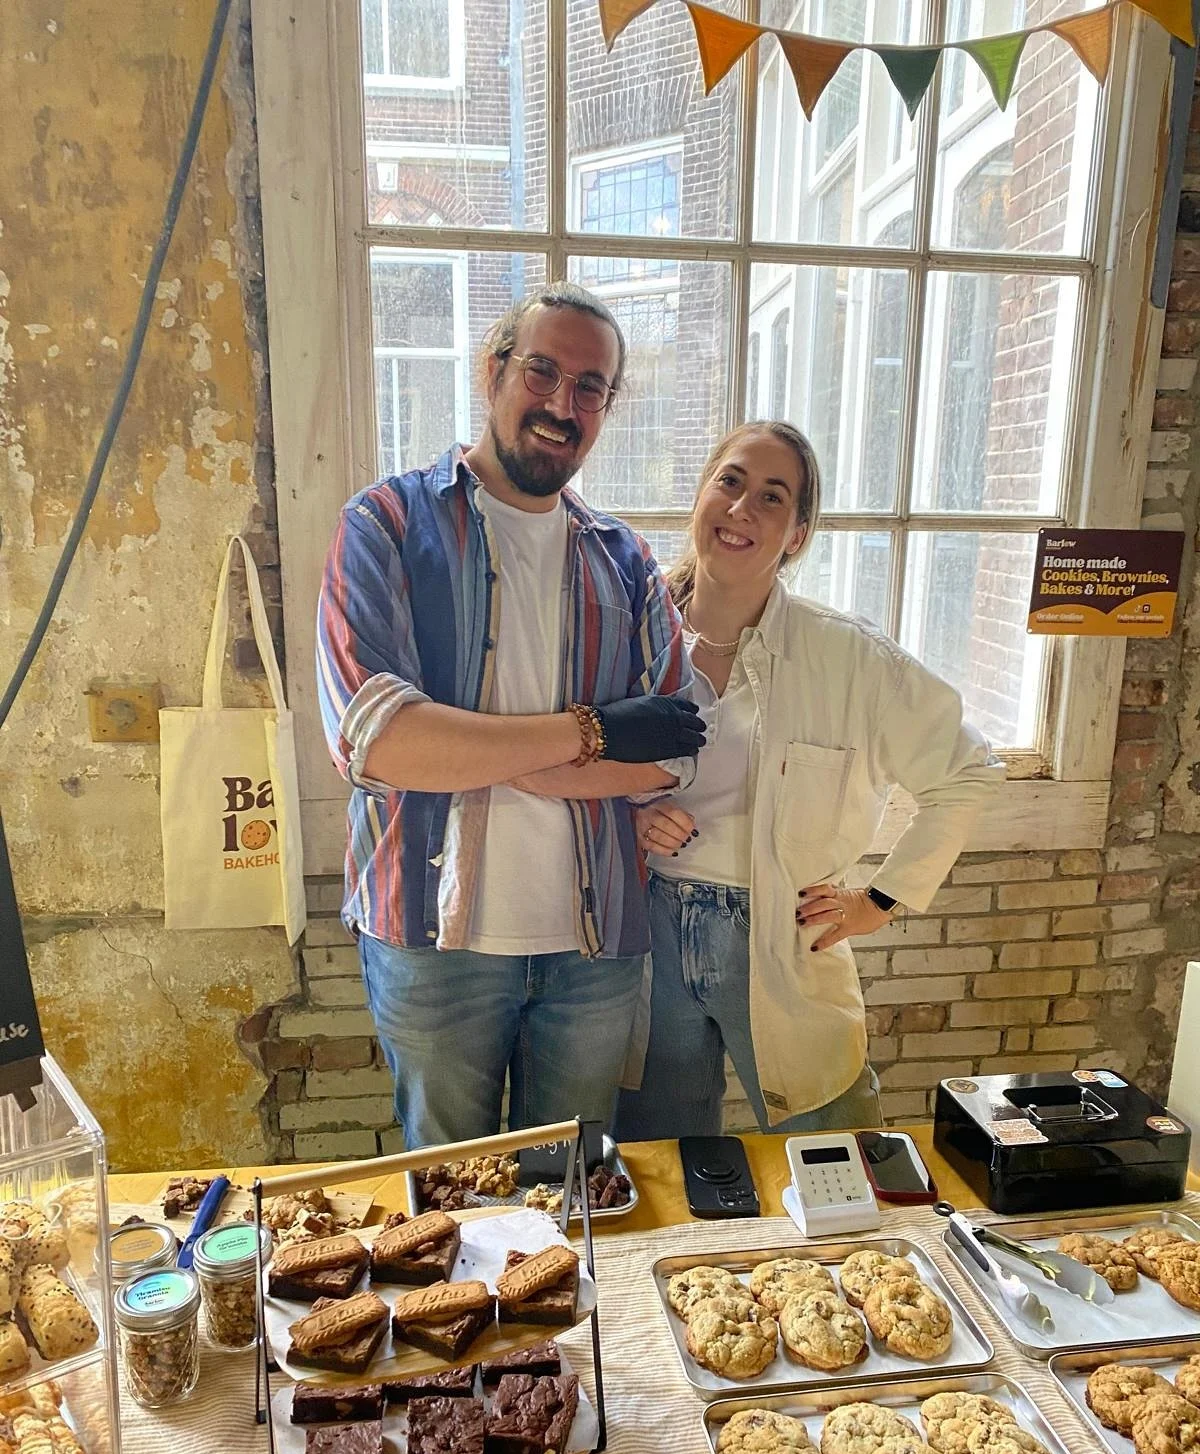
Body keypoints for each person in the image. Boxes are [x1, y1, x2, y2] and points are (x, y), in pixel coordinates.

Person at [316, 282, 704, 1150]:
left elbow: (679, 746)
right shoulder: (384, 523)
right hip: (430, 940)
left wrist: (483, 749)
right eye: (542, 371)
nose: (563, 404)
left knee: (567, 1207)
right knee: (449, 1205)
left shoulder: (626, 559)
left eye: (591, 387)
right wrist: (591, 734)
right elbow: (379, 736)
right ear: (494, 372)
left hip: (595, 945)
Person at [613, 421, 1004, 1140]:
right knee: (660, 1159)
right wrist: (629, 821)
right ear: (700, 494)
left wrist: (880, 899)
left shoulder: (849, 657)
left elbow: (967, 772)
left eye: (772, 496)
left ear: (797, 533)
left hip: (786, 935)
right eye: (729, 481)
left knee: (836, 1155)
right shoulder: (629, 641)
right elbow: (575, 767)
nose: (742, 509)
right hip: (651, 932)